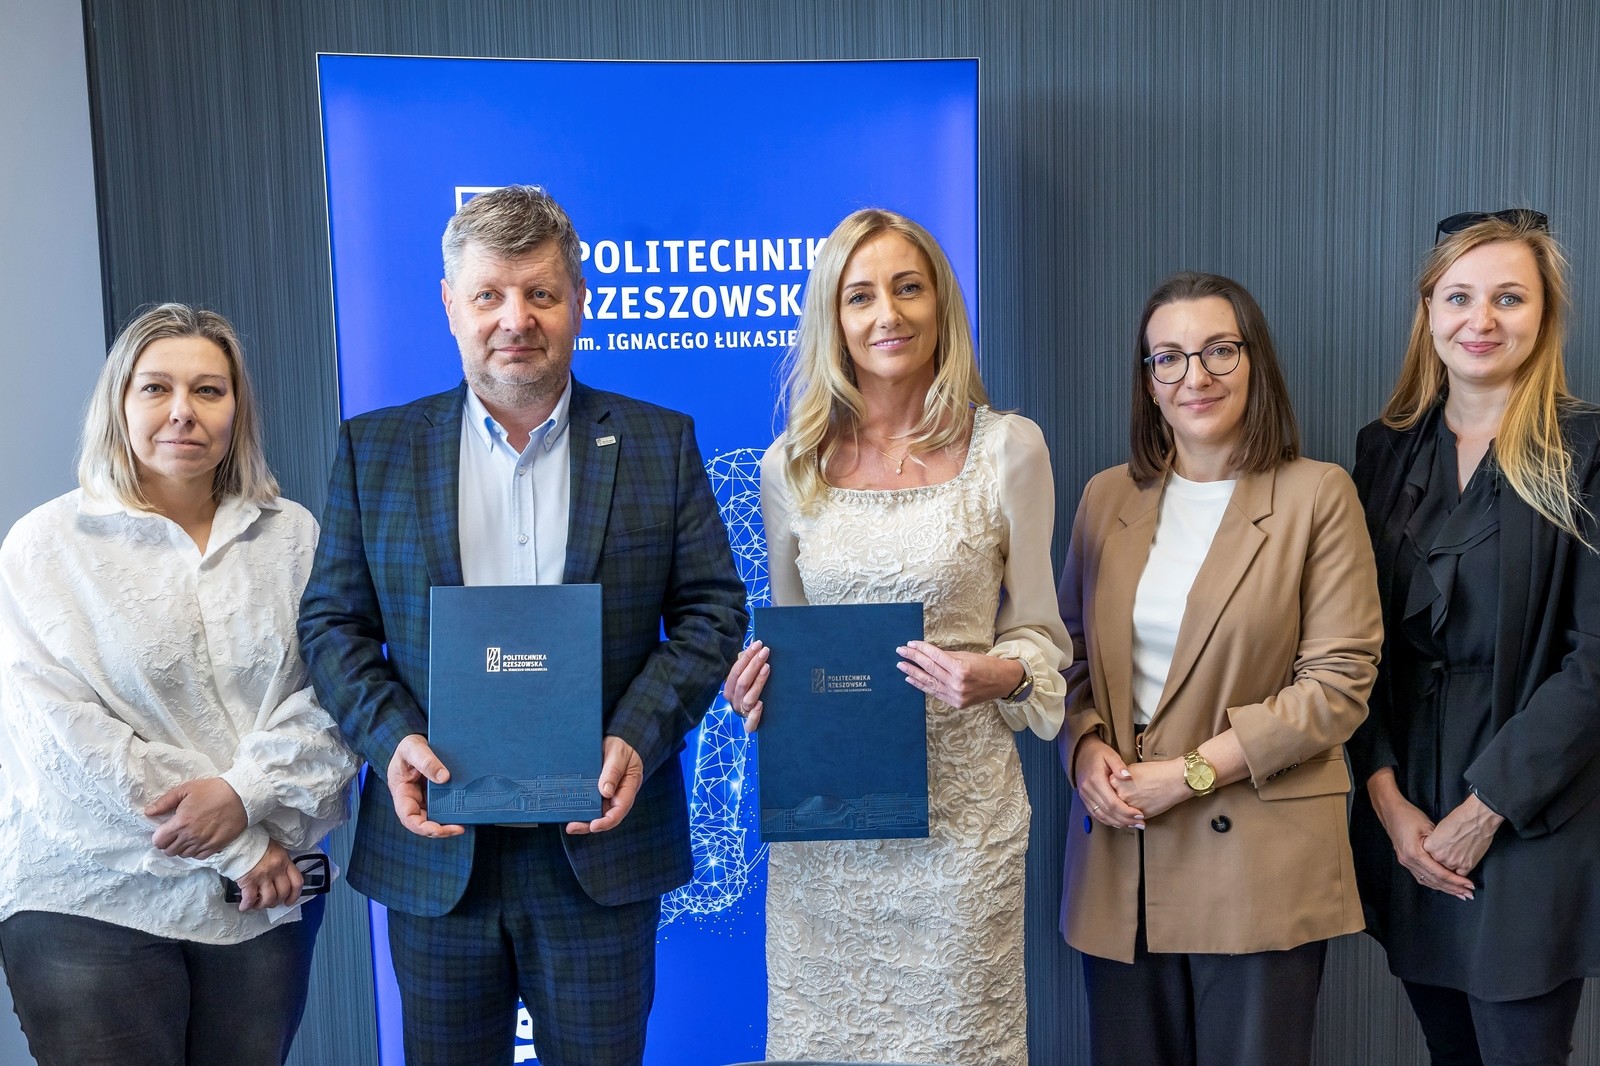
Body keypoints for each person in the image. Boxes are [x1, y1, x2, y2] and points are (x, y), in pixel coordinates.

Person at [297, 184, 746, 1065]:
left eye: (541, 293)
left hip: (600, 846)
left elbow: (712, 611)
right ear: (450, 305)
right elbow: (332, 625)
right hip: (438, 847)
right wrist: (393, 742)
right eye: (490, 295)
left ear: (579, 300)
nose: (516, 319)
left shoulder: (658, 443)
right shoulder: (374, 449)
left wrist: (637, 736)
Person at [720, 208, 1071, 1064]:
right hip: (829, 832)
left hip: (963, 823)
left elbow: (1040, 634)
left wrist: (996, 673)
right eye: (861, 295)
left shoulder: (1009, 449)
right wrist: (759, 688)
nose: (888, 314)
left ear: (940, 303)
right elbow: (798, 645)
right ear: (833, 319)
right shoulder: (789, 466)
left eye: (908, 288)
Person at [0, 303, 357, 1066]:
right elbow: (66, 740)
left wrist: (244, 797)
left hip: (260, 903)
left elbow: (334, 692)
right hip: (94, 898)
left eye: (208, 390)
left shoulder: (293, 535)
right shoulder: (44, 547)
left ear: (237, 410)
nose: (182, 412)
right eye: (156, 388)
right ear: (119, 404)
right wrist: (238, 845)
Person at [1055, 271, 1382, 1066]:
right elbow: (1066, 656)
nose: (1194, 376)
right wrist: (1084, 748)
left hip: (1256, 860)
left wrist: (1190, 774)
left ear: (1254, 360)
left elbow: (1338, 683)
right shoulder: (1105, 498)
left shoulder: (1317, 494)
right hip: (1121, 854)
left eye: (1218, 351)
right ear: (1148, 382)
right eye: (1168, 358)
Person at [1348, 210, 1600, 1066]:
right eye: (1459, 297)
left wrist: (1485, 810)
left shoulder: (1587, 452)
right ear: (1428, 311)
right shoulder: (1383, 453)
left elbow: (1596, 662)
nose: (1481, 320)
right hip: (1410, 804)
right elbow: (1352, 644)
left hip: (1533, 805)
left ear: (1544, 313)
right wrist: (1388, 801)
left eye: (1508, 298)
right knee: (1448, 1050)